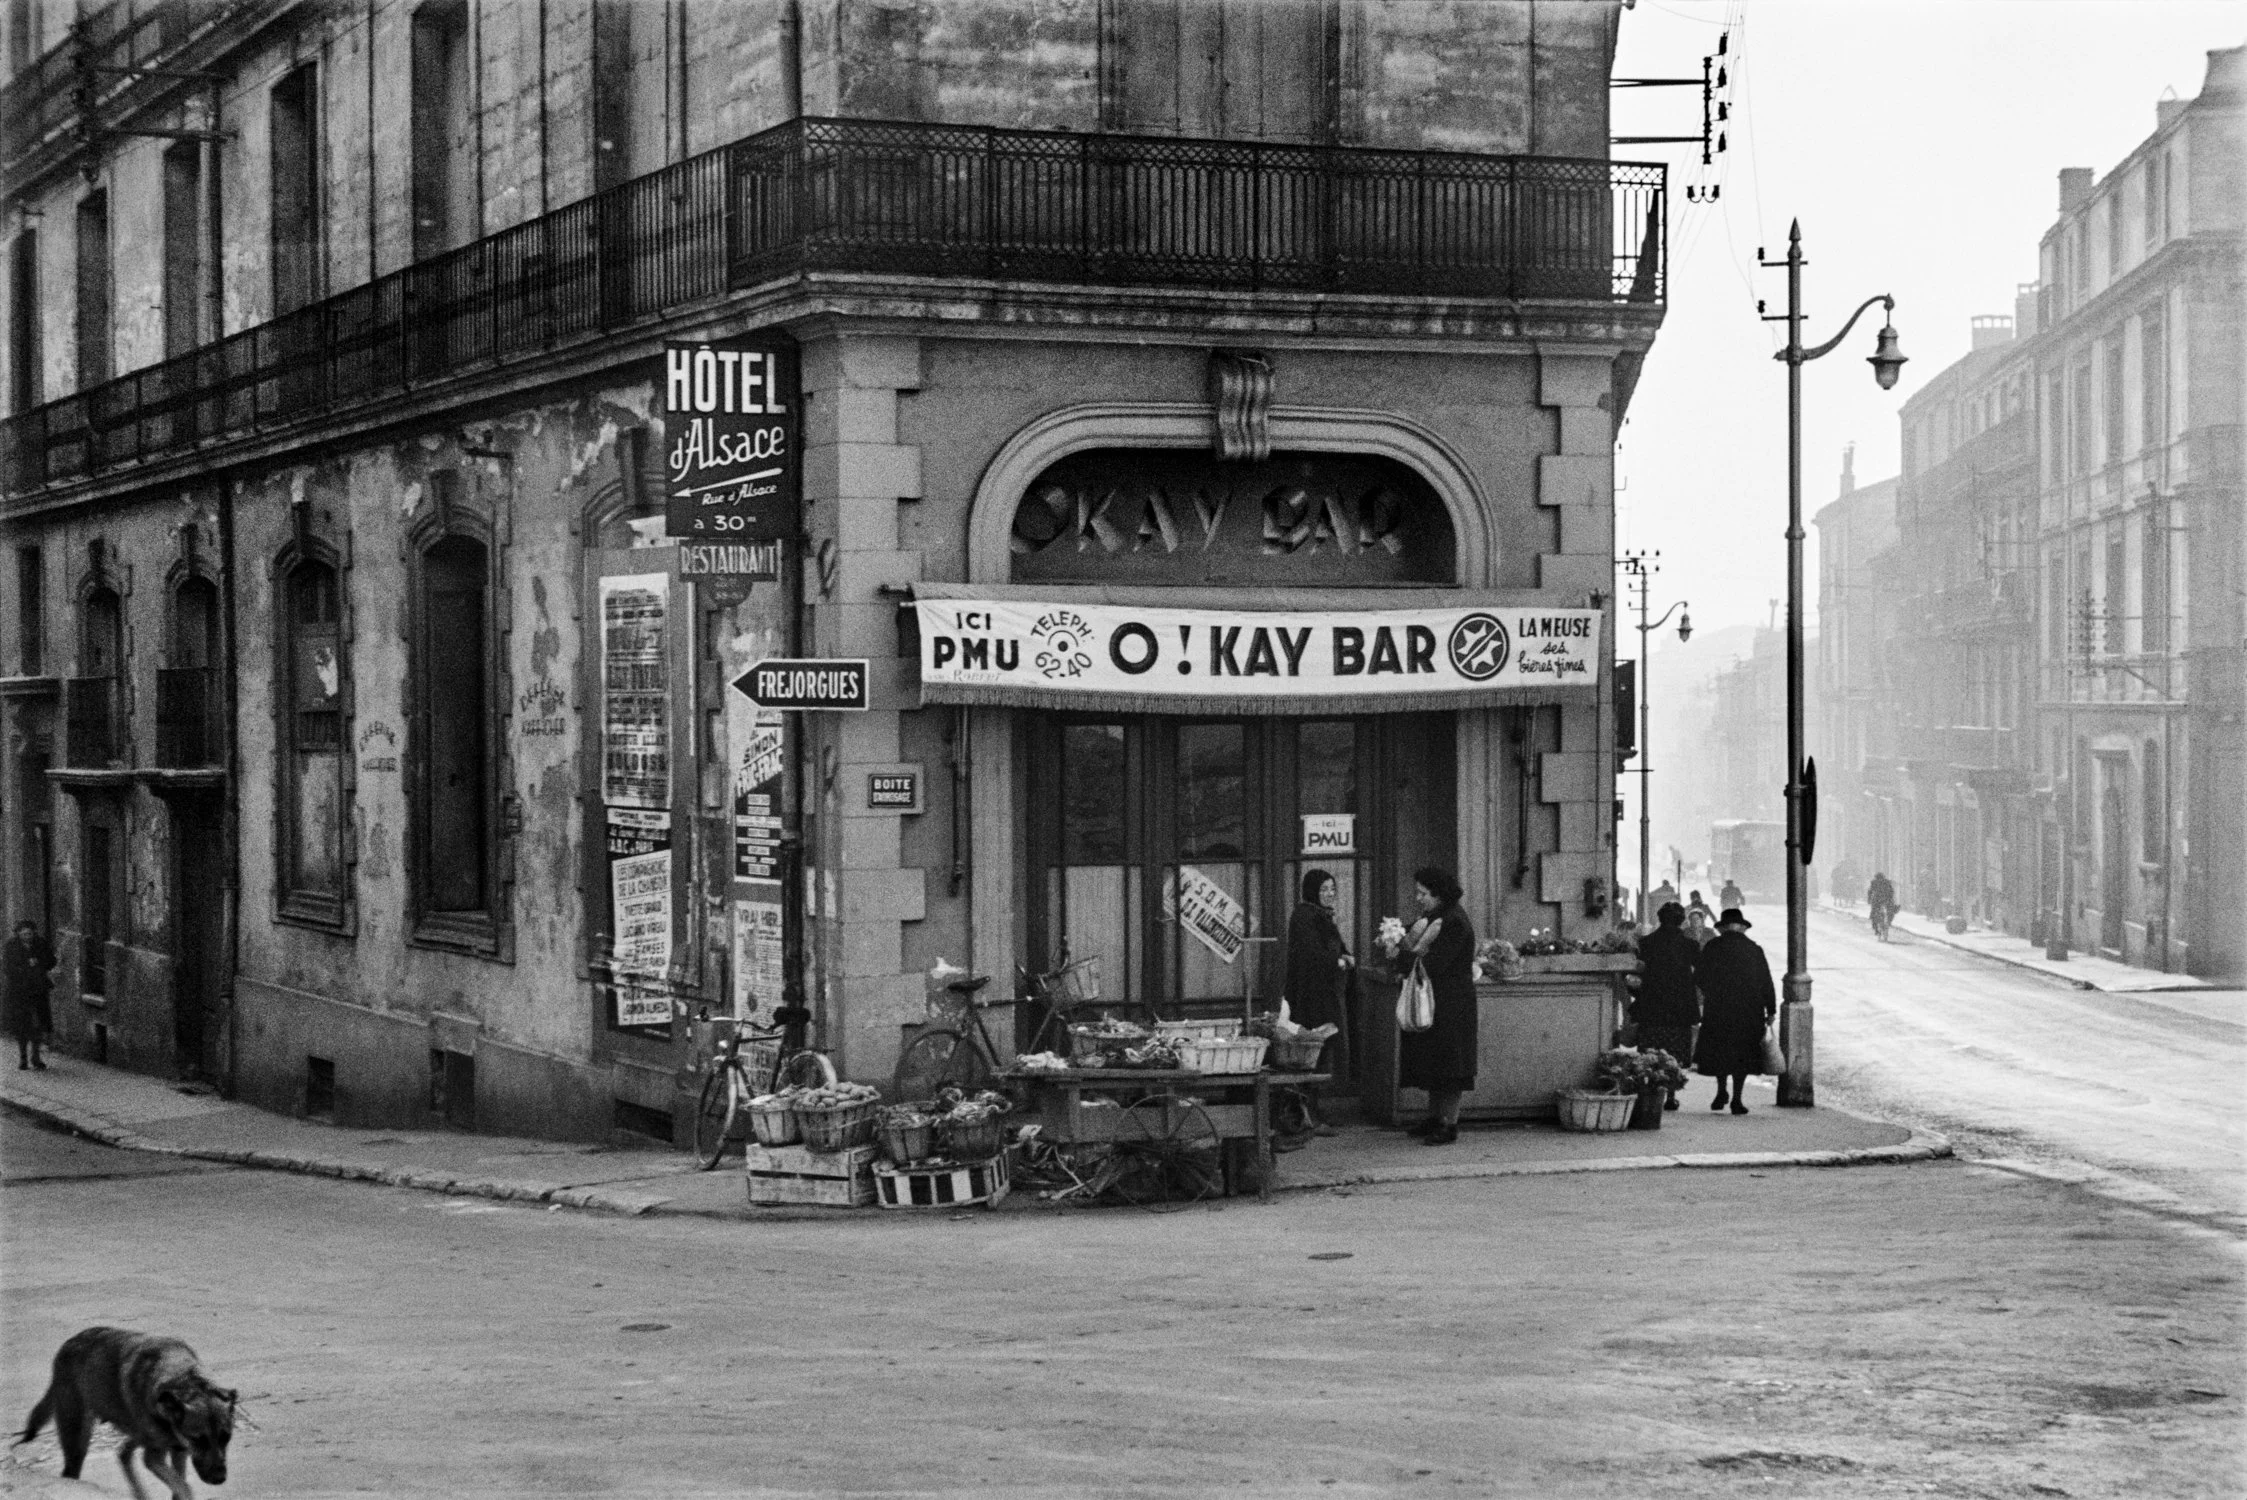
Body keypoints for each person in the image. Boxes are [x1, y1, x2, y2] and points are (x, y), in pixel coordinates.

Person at [1393, 866, 1477, 1146]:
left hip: (1452, 1004)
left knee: (1451, 1066)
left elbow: (1434, 964)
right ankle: (1434, 1118)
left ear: (1439, 895)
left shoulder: (1452, 922)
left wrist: (1403, 956)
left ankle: (1448, 1124)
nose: (1418, 898)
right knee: (1436, 1062)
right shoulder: (1437, 916)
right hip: (1438, 1000)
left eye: (1423, 893)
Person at [1282, 869, 1352, 1136]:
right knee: (1312, 1053)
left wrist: (1346, 955)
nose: (1329, 894)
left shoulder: (1321, 916)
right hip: (1310, 996)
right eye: (1324, 890)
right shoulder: (1304, 916)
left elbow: (1334, 944)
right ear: (1312, 891)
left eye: (1332, 889)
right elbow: (1311, 954)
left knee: (1323, 1052)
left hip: (1325, 994)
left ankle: (1313, 1113)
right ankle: (1307, 1115)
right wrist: (1339, 961)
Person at [1693, 908, 1777, 1115]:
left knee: (1720, 1051)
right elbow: (1766, 981)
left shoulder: (1713, 947)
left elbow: (1699, 977)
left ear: (1722, 928)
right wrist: (1771, 1008)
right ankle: (1737, 1099)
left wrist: (1712, 992)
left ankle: (1721, 1091)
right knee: (1742, 1054)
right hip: (1748, 1010)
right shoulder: (1754, 949)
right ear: (1741, 928)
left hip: (1719, 1008)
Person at [1631, 903, 1700, 1110]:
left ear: (1660, 919)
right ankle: (1670, 1095)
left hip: (1651, 1006)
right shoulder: (1690, 945)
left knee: (1650, 1050)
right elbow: (1700, 973)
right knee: (1674, 1053)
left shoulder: (1646, 943)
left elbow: (1636, 974)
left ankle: (1649, 1093)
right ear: (1681, 921)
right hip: (1679, 1009)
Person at [5, 919, 57, 1071]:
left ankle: (36, 1056)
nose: (27, 936)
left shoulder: (40, 944)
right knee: (22, 1025)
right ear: (18, 933)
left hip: (38, 990)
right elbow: (8, 968)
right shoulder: (11, 946)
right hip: (19, 992)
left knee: (38, 1024)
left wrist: (39, 962)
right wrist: (26, 966)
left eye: (30, 933)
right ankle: (23, 1058)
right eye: (24, 933)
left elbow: (51, 961)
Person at [1867, 870, 1896, 939]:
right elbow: (1891, 891)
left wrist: (1869, 899)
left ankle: (1876, 928)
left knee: (1874, 913)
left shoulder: (1874, 882)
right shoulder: (1887, 882)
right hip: (1886, 900)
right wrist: (1890, 898)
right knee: (1891, 910)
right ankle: (1889, 921)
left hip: (1877, 900)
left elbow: (1870, 891)